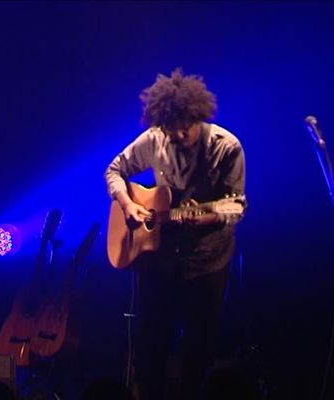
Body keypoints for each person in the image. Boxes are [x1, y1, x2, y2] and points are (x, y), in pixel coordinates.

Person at [105, 68, 247, 400]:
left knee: (199, 352)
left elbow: (237, 206)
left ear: (198, 116)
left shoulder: (226, 148)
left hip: (207, 261)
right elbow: (114, 170)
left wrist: (208, 217)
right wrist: (127, 203)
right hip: (159, 262)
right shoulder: (155, 139)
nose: (179, 136)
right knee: (149, 348)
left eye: (185, 128)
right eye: (172, 131)